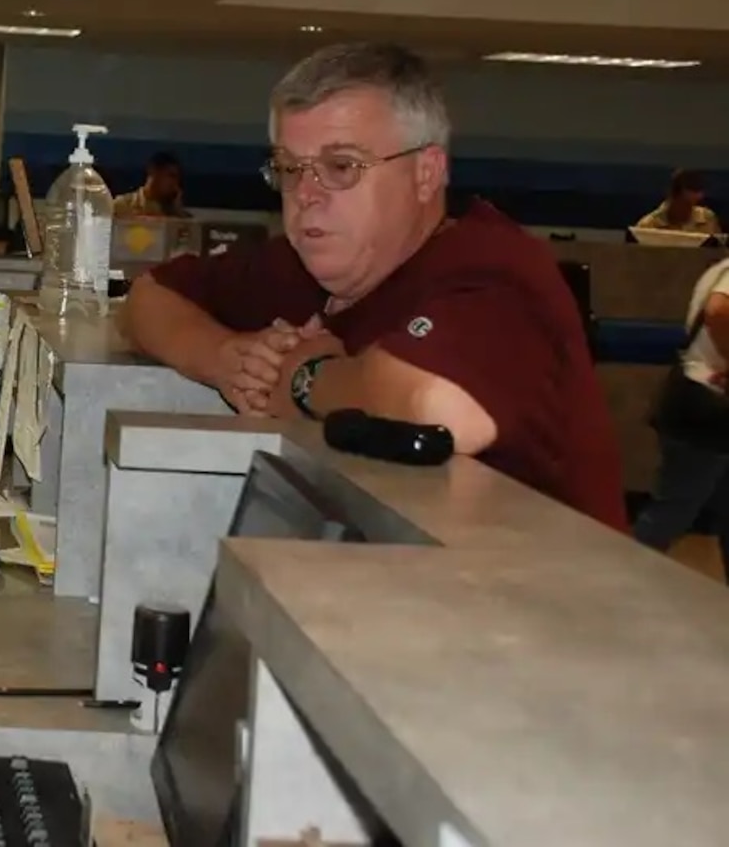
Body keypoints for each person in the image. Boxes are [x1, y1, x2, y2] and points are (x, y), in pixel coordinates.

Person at [120, 41, 627, 532]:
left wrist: (305, 376)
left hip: (555, 606)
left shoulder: (496, 271)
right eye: (290, 169)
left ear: (426, 173)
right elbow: (147, 297)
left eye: (342, 167)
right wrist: (227, 360)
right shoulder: (307, 264)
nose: (306, 195)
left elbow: (440, 409)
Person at [633, 257, 729, 577]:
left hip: (695, 400)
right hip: (708, 408)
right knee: (674, 509)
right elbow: (719, 311)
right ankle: (622, 581)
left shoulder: (720, 267)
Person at [635, 168, 721, 235]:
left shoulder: (708, 219)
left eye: (692, 205)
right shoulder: (648, 226)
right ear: (672, 196)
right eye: (685, 203)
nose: (687, 209)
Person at [113, 151, 186, 217]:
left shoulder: (173, 212)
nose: (174, 184)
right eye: (171, 176)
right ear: (153, 171)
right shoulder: (122, 206)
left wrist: (178, 213)